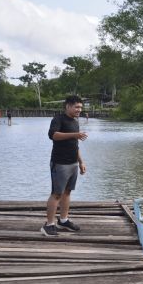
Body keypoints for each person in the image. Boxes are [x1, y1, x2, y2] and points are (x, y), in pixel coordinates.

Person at [41, 95, 87, 236]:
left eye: (80, 107)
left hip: (73, 163)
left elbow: (75, 144)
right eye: (76, 107)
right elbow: (53, 135)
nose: (79, 110)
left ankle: (63, 220)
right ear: (68, 106)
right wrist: (74, 134)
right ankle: (49, 225)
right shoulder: (58, 119)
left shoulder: (75, 122)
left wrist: (81, 161)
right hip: (60, 163)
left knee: (67, 192)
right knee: (56, 194)